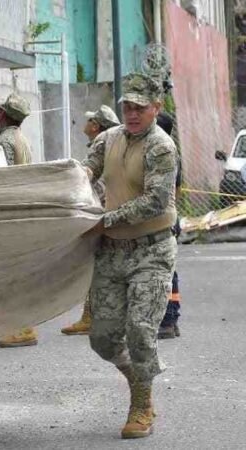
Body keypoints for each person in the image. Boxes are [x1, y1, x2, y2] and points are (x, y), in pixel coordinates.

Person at [83, 73, 178, 439]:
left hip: (151, 250)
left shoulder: (161, 147)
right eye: (128, 106)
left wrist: (107, 219)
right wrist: (79, 187)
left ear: (157, 108)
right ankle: (138, 376)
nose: (133, 113)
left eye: (141, 107)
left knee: (140, 330)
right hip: (111, 251)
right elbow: (84, 172)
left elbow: (155, 201)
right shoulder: (108, 139)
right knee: (103, 338)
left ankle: (142, 402)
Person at [62, 104, 121, 336]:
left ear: (96, 125)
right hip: (107, 211)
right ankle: (92, 316)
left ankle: (93, 317)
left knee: (99, 266)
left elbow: (92, 181)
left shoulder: (101, 144)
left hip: (102, 212)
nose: (85, 124)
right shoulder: (113, 143)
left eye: (89, 121)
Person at [0, 92, 38, 348]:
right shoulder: (21, 139)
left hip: (11, 215)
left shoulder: (6, 142)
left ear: (5, 114)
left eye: (0, 108)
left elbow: (4, 180)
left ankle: (22, 328)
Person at [155, 111, 182, 339]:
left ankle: (169, 319)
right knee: (168, 270)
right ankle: (170, 319)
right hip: (171, 215)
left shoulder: (164, 151)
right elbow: (179, 190)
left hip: (164, 218)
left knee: (167, 271)